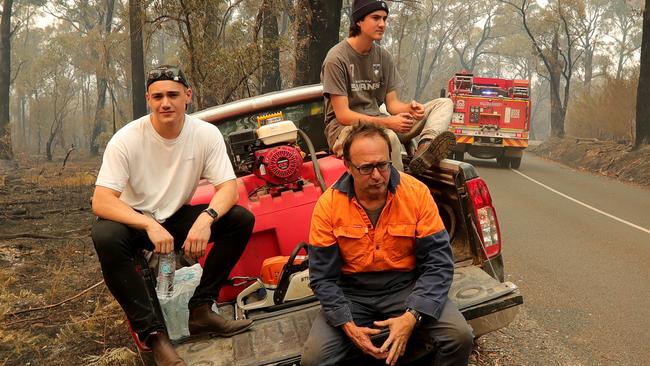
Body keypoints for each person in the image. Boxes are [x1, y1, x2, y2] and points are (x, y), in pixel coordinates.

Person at [91, 65, 254, 366]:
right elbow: (101, 201)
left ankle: (202, 309)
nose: (165, 102)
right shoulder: (126, 139)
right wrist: (146, 223)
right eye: (157, 96)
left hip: (176, 217)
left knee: (239, 220)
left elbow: (228, 187)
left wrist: (206, 219)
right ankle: (155, 337)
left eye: (172, 95)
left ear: (187, 97)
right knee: (105, 235)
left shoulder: (205, 134)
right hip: (136, 221)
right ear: (148, 100)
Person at [301, 124, 473, 366]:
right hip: (352, 294)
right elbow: (322, 278)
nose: (377, 175)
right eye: (366, 168)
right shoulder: (328, 205)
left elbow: (439, 264)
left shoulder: (416, 194)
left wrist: (412, 316)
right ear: (348, 167)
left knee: (459, 337)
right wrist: (348, 326)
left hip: (406, 286)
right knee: (314, 360)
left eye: (382, 164)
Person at [321, 0, 456, 174]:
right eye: (376, 18)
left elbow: (392, 105)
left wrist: (410, 108)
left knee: (443, 104)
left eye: (385, 18)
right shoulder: (336, 59)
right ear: (358, 20)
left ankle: (425, 148)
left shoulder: (383, 57)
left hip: (381, 120)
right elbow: (343, 115)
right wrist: (388, 123)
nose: (382, 24)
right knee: (388, 137)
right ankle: (400, 190)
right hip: (345, 130)